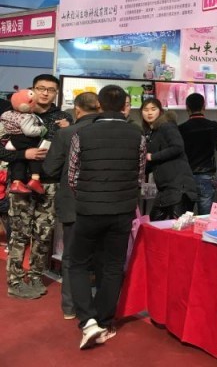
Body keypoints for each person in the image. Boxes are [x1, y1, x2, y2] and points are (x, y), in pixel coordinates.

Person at [67, 84, 145, 349]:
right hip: (122, 210)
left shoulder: (82, 133)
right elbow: (139, 175)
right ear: (125, 106)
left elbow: (72, 176)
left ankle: (88, 321)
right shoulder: (137, 134)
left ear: (99, 105)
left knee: (78, 263)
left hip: (89, 210)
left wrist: (87, 197)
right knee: (113, 265)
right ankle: (103, 320)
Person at [6, 74, 72, 300]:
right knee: (19, 234)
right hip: (21, 183)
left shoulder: (63, 118)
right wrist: (24, 154)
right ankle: (15, 280)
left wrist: (69, 130)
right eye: (41, 88)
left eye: (50, 90)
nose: (45, 93)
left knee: (44, 235)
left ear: (56, 93)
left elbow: (71, 152)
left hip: (50, 184)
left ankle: (36, 275)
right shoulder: (15, 113)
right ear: (32, 89)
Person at [41, 92, 100, 320]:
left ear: (77, 109)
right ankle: (101, 306)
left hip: (73, 202)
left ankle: (70, 306)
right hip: (105, 203)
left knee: (72, 257)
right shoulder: (112, 132)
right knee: (104, 257)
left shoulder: (66, 133)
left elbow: (50, 169)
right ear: (99, 107)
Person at [141, 98, 198, 220]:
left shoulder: (167, 125)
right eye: (145, 110)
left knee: (178, 226)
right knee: (154, 224)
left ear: (160, 111)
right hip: (165, 189)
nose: (149, 113)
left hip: (179, 188)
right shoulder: (151, 133)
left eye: (153, 109)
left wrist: (152, 156)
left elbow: (177, 147)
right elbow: (151, 163)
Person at [178, 93, 217, 215]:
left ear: (187, 107)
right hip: (206, 175)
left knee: (185, 216)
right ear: (204, 106)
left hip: (186, 176)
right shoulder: (214, 126)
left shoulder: (181, 128)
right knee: (205, 217)